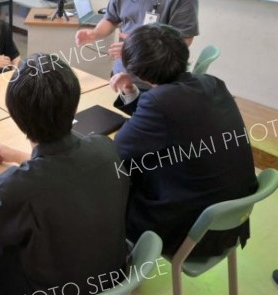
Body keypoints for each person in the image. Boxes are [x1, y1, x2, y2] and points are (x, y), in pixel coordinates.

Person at [0, 54, 129, 295]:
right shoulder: (105, 148)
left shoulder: (18, 187)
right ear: (74, 105)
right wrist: (14, 154)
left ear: (16, 117)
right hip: (109, 276)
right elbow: (60, 170)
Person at [110, 24, 257, 256]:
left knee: (113, 184)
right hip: (232, 221)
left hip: (191, 233)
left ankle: (120, 267)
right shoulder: (212, 83)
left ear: (139, 72)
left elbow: (118, 150)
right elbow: (169, 119)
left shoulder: (160, 103)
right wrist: (130, 92)